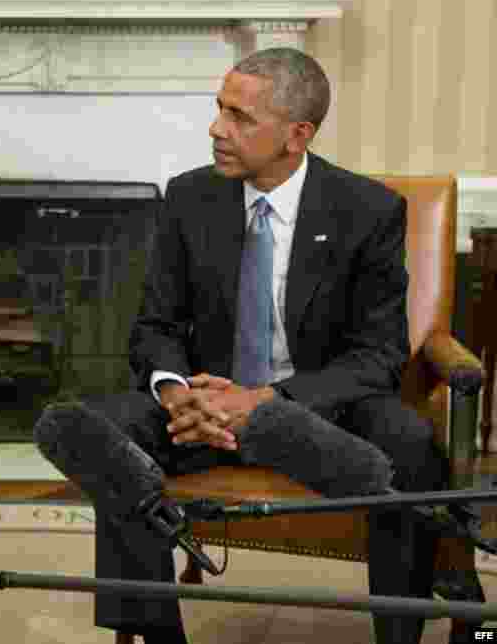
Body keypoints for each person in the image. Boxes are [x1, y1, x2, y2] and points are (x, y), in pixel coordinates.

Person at [86, 47, 448, 644]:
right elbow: (156, 325)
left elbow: (378, 355)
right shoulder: (189, 197)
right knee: (102, 429)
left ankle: (399, 632)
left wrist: (264, 402)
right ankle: (155, 632)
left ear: (296, 135)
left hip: (316, 413)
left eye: (240, 117)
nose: (216, 128)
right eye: (218, 109)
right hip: (201, 412)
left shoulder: (367, 210)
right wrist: (176, 393)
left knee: (410, 446)